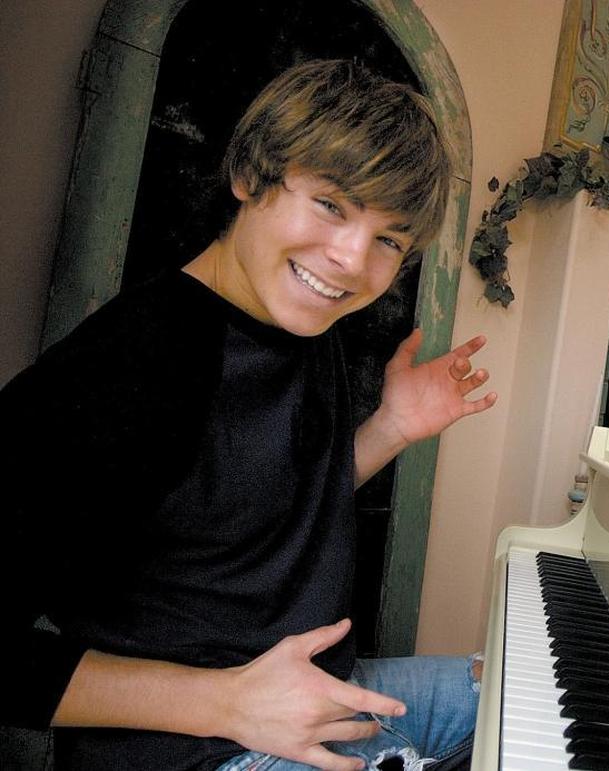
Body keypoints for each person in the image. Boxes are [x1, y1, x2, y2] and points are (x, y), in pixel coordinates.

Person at [0, 59, 496, 771]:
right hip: (200, 748)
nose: (353, 259)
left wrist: (392, 428)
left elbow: (250, 501)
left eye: (389, 238)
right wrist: (230, 703)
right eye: (332, 204)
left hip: (318, 695)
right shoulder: (127, 366)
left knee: (531, 692)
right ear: (250, 175)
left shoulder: (303, 324)